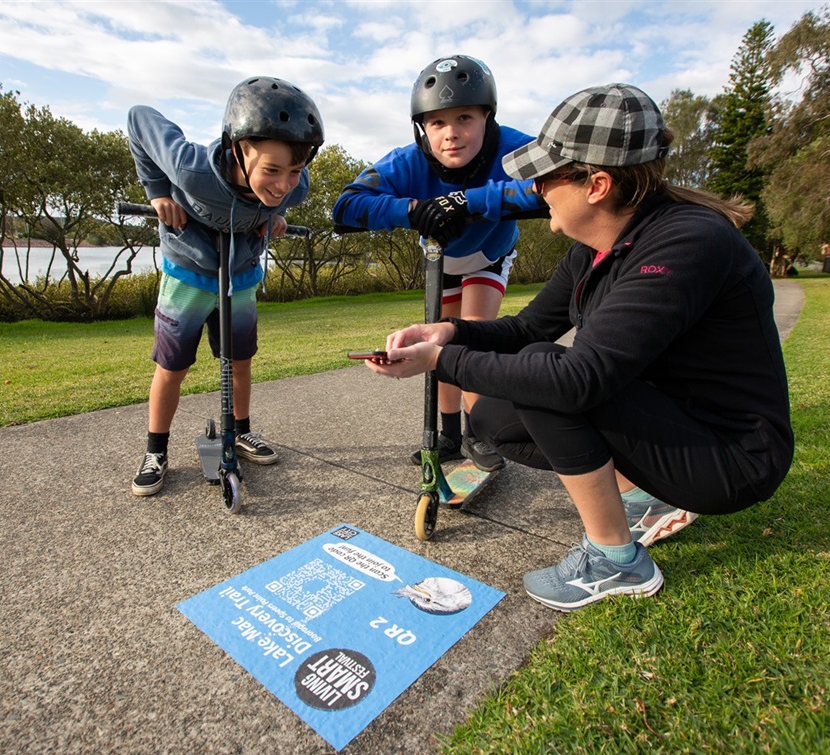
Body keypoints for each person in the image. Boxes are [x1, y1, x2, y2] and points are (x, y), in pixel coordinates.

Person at [363, 83, 794, 611]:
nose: (537, 189)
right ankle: (643, 493)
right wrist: (447, 333)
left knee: (548, 374)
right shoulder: (596, 246)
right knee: (496, 416)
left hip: (731, 458)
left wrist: (439, 362)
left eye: (546, 176)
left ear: (597, 184)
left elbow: (578, 379)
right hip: (675, 425)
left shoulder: (687, 241)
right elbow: (526, 330)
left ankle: (616, 560)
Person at [332, 55, 544, 472]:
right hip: (442, 259)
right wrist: (412, 210)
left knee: (473, 336)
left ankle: (478, 431)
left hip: (489, 254)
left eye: (464, 117)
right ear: (421, 128)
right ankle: (449, 436)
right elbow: (346, 206)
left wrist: (468, 201)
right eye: (437, 123)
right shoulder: (406, 161)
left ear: (488, 116)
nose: (452, 134)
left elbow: (559, 185)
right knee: (440, 345)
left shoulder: (515, 148)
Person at [126, 77, 324, 496]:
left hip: (241, 277)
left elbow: (281, 196)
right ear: (237, 149)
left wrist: (271, 215)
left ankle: (242, 432)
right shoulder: (192, 170)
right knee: (172, 368)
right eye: (272, 170)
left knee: (240, 361)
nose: (285, 183)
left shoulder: (295, 189)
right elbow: (139, 118)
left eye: (295, 171)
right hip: (189, 275)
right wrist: (158, 191)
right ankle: (155, 451)